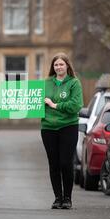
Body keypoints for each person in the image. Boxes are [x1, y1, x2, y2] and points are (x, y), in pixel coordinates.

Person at [41, 53, 83, 210]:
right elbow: (33, 101)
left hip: (68, 126)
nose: (58, 67)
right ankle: (57, 198)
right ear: (53, 67)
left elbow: (76, 105)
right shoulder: (45, 83)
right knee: (54, 164)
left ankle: (67, 198)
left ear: (67, 66)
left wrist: (55, 105)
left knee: (66, 163)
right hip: (48, 128)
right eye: (56, 65)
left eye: (61, 64)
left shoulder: (74, 83)